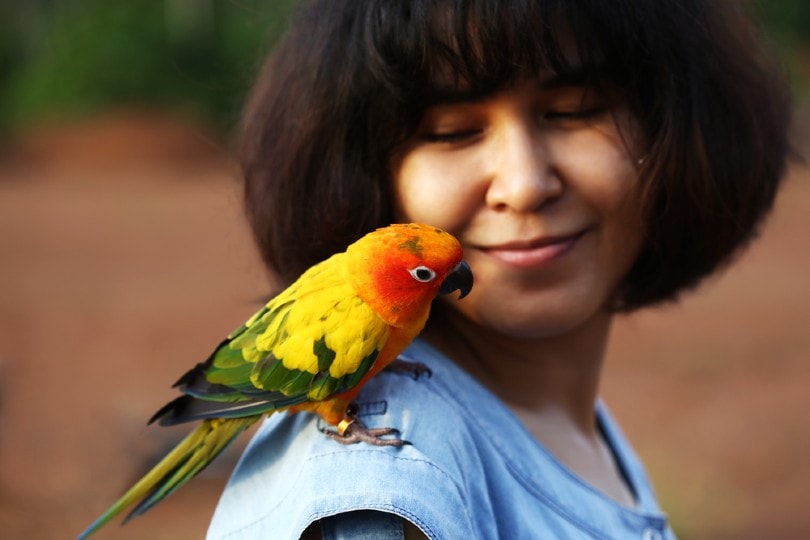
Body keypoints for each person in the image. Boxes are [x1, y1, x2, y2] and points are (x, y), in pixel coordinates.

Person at [207, 0, 791, 538]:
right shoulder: (389, 499)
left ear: (677, 128)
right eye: (452, 131)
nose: (524, 185)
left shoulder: (565, 420)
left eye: (573, 110)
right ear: (355, 171)